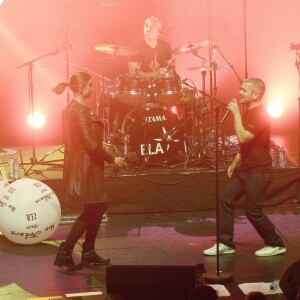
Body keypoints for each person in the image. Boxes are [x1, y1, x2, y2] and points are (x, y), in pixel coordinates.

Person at [204, 78, 286, 257]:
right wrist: (235, 162)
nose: (239, 92)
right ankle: (226, 243)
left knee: (252, 211)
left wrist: (235, 114)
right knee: (225, 197)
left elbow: (242, 137)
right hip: (246, 169)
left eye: (244, 90)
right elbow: (247, 145)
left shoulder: (261, 115)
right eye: (240, 89)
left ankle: (276, 243)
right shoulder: (249, 112)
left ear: (255, 94)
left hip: (259, 171)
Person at [52, 72, 125, 270]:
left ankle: (87, 252)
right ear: (82, 87)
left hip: (81, 164)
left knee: (97, 208)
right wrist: (113, 158)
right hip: (87, 167)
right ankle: (66, 252)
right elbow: (90, 144)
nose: (93, 88)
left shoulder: (68, 110)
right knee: (95, 208)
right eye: (91, 85)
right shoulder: (81, 111)